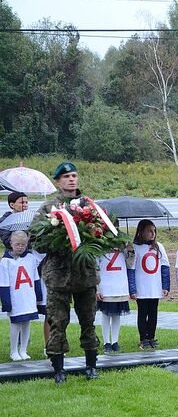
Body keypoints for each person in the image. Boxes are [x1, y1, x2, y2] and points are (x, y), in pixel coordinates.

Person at [29, 161, 100, 383]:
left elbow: (103, 233)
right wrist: (58, 239)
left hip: (85, 274)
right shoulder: (49, 208)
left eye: (74, 176)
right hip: (58, 276)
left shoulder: (89, 206)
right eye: (66, 177)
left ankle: (91, 366)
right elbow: (35, 239)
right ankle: (58, 369)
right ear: (58, 181)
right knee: (57, 322)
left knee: (88, 321)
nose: (71, 179)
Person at [0, 231, 42, 360]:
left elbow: (35, 278)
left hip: (28, 296)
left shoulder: (31, 258)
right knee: (16, 324)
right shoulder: (5, 261)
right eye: (17, 244)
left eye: (23, 244)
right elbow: (4, 283)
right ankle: (13, 351)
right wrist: (6, 302)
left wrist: (38, 296)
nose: (20, 247)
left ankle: (23, 350)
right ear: (11, 243)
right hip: (15, 298)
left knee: (26, 323)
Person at [129, 219, 170, 350]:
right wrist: (132, 289)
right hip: (141, 288)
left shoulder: (159, 247)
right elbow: (131, 269)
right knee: (142, 313)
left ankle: (151, 337)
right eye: (149, 231)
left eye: (154, 231)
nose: (153, 234)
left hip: (155, 287)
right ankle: (143, 338)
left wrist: (165, 286)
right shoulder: (134, 248)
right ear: (141, 232)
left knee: (153, 313)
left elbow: (165, 267)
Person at [96, 240, 132, 353]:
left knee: (117, 315)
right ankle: (106, 342)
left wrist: (130, 251)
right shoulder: (99, 247)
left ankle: (115, 341)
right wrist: (97, 288)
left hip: (119, 285)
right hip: (105, 286)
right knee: (106, 314)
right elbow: (95, 267)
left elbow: (130, 264)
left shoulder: (123, 248)